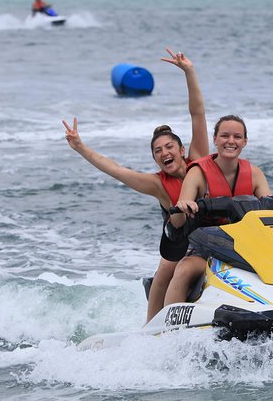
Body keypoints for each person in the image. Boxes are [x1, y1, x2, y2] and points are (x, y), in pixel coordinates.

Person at [62, 48, 207, 322]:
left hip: (217, 238)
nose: (164, 153)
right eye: (157, 151)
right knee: (166, 269)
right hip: (183, 244)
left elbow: (197, 114)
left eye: (169, 147)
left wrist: (189, 72)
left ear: (181, 149)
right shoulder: (157, 184)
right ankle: (152, 326)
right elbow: (116, 170)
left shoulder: (199, 161)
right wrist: (81, 147)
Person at [163, 115, 273, 306]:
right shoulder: (197, 173)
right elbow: (179, 221)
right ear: (215, 140)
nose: (231, 141)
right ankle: (169, 331)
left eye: (237, 137)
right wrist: (182, 207)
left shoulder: (254, 174)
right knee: (184, 270)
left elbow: (270, 216)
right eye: (224, 136)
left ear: (245, 142)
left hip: (247, 249)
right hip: (207, 249)